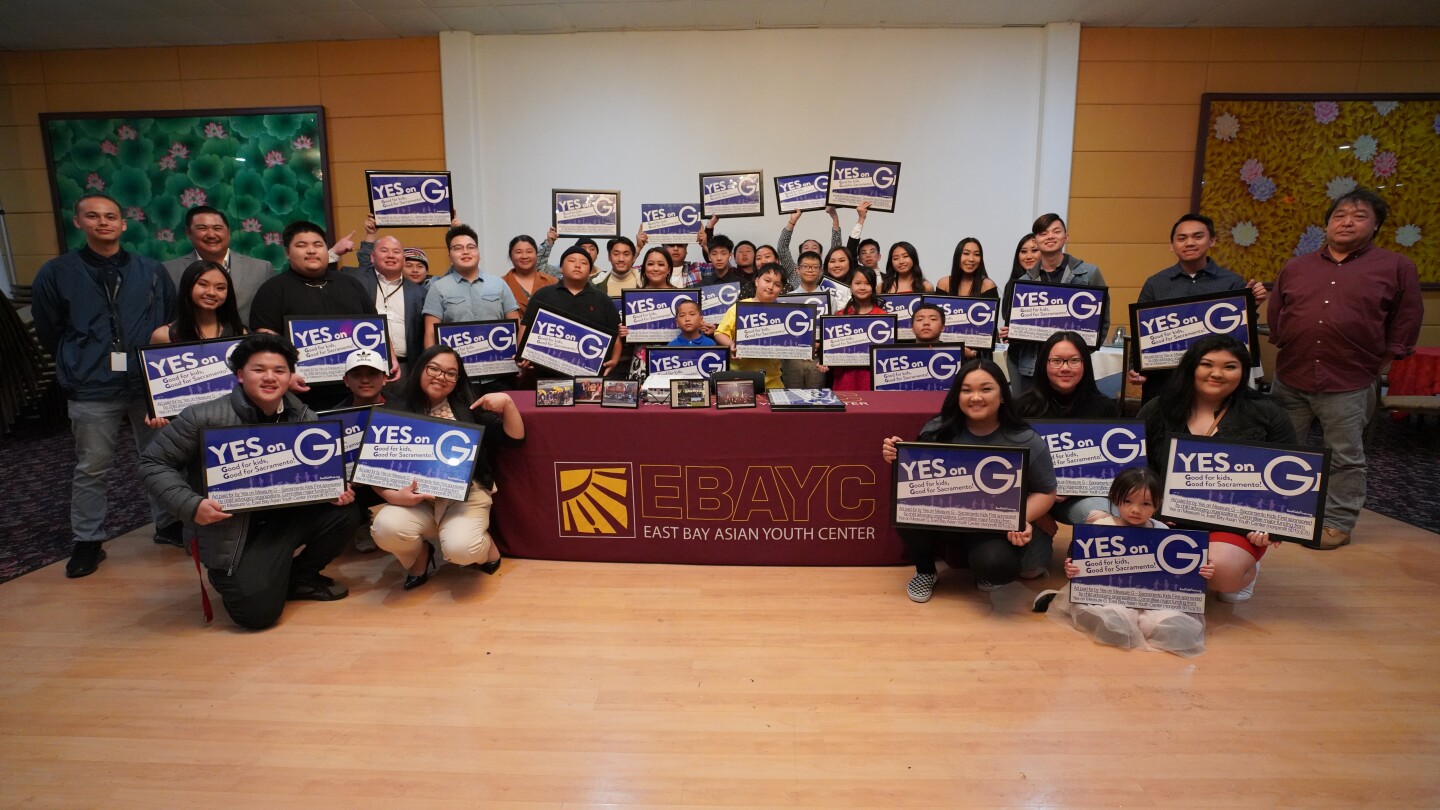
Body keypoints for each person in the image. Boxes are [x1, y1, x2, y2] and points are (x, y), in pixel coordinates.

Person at [137, 333, 361, 629]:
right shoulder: (202, 417)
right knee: (256, 617)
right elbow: (152, 462)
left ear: (290, 375)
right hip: (232, 529)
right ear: (240, 375)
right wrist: (191, 506)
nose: (270, 378)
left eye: (279, 370)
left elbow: (320, 471)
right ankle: (252, 576)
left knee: (345, 513)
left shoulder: (305, 416)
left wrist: (333, 487)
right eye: (259, 370)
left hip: (285, 518)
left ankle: (299, 577)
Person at [32, 193, 182, 573]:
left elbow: (169, 323)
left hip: (148, 382)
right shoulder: (57, 272)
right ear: (78, 221)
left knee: (160, 458)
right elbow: (51, 329)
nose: (104, 222)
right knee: (92, 465)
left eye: (111, 216)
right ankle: (87, 540)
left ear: (123, 224)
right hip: (90, 384)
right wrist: (78, 359)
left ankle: (167, 524)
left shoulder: (150, 270)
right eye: (93, 216)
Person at [1267, 187, 1423, 550]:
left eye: (1359, 215)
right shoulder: (1297, 266)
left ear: (1376, 226)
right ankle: (1281, 515)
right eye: (1339, 215)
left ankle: (1337, 521)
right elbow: (1277, 314)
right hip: (1291, 374)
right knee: (1283, 450)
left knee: (1344, 456)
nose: (1347, 222)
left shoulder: (1396, 267)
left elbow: (1405, 322)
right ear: (1327, 224)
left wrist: (1378, 363)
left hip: (1349, 380)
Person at [881, 359, 1057, 602]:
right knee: (908, 504)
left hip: (990, 524)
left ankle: (980, 565)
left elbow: (1047, 491)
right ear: (957, 395)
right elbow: (914, 479)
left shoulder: (1026, 439)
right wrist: (897, 455)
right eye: (967, 390)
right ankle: (925, 571)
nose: (976, 397)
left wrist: (1019, 518)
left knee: (999, 568)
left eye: (986, 389)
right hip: (941, 520)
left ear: (1003, 394)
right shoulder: (936, 430)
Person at [1136, 334, 1293, 601]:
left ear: (1243, 372)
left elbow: (1289, 478)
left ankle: (1243, 569)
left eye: (1230, 366)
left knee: (1220, 574)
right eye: (1207, 364)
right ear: (1191, 367)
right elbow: (1133, 470)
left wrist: (1271, 523)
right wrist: (1154, 508)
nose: (1217, 374)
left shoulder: (1268, 413)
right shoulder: (1158, 409)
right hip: (1166, 517)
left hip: (1235, 524)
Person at [370, 344, 524, 589]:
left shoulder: (468, 406)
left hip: (465, 498)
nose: (441, 377)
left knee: (461, 549)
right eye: (434, 369)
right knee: (384, 527)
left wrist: (508, 404)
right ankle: (420, 556)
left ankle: (486, 547)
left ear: (457, 379)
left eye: (450, 373)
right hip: (418, 501)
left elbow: (515, 440)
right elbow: (374, 471)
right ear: (420, 368)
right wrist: (392, 495)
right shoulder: (392, 411)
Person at [1035, 467, 1217, 656]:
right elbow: (1077, 557)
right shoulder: (1101, 527)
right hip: (1109, 596)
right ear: (1115, 498)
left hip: (1153, 599)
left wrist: (1200, 571)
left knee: (1175, 626)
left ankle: (1147, 624)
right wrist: (1072, 568)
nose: (1135, 510)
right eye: (1127, 501)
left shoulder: (1163, 531)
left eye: (1146, 504)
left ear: (1158, 504)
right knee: (1113, 619)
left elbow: (1179, 570)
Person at [1127, 214, 1268, 402]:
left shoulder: (1232, 282)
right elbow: (1141, 330)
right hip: (1165, 383)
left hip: (1216, 384)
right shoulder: (1155, 283)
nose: (1190, 243)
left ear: (1212, 241)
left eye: (1198, 236)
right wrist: (1135, 367)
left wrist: (1251, 307)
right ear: (1172, 245)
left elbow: (1240, 337)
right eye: (1182, 238)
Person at [248, 221, 386, 408]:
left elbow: (375, 325)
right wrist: (285, 374)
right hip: (301, 394)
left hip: (357, 391)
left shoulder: (350, 283)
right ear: (287, 253)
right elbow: (265, 340)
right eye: (301, 245)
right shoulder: (273, 290)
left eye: (318, 245)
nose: (311, 251)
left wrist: (389, 358)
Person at [1015, 331, 1121, 534]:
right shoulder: (1021, 407)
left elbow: (1114, 468)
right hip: (1030, 498)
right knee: (1032, 565)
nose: (1065, 368)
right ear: (1044, 364)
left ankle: (1082, 547)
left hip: (1081, 498)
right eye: (1056, 361)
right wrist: (1041, 510)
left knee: (1105, 518)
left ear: (1085, 364)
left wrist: (1073, 489)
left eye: (1073, 360)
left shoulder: (1106, 408)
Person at [1001, 215, 1108, 395]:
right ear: (1036, 241)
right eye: (1043, 233)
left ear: (1066, 237)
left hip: (1070, 370)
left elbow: (1102, 322)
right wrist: (1012, 331)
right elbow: (1016, 326)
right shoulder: (1023, 283)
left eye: (1056, 231)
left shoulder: (1089, 274)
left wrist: (1077, 356)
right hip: (1032, 368)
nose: (1050, 236)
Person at [421, 221, 522, 392]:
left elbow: (516, 325)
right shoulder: (437, 288)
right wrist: (434, 369)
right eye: (458, 248)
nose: (466, 251)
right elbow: (430, 332)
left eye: (471, 247)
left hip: (500, 375)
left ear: (478, 252)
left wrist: (520, 358)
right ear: (450, 255)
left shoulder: (499, 285)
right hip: (457, 377)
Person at [520, 245, 624, 379]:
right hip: (547, 375)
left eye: (584, 263)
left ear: (590, 270)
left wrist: (614, 360)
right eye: (572, 261)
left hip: (589, 375)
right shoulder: (542, 295)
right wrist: (522, 355)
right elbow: (526, 326)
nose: (577, 265)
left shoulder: (602, 299)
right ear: (561, 268)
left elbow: (615, 334)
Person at [163, 206, 274, 324]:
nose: (211, 234)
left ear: (228, 232)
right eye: (202, 228)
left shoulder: (261, 269)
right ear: (189, 233)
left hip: (247, 339)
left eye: (217, 228)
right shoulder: (169, 270)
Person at [345, 223, 425, 368]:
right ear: (372, 257)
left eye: (396, 251)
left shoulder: (418, 293)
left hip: (407, 367)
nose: (391, 255)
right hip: (365, 365)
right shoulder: (357, 280)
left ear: (404, 259)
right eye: (384, 251)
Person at [714, 262, 787, 390]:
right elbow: (720, 333)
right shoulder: (739, 307)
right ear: (757, 281)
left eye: (777, 285)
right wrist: (731, 344)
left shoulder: (784, 312)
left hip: (773, 381)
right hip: (739, 378)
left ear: (781, 289)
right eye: (767, 280)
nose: (771, 287)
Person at [150, 260, 247, 345]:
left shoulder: (240, 333)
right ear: (187, 285)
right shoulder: (163, 335)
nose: (211, 293)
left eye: (220, 288)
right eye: (203, 284)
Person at [831, 266, 886, 391]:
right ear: (850, 286)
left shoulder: (882, 316)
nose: (862, 287)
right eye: (857, 283)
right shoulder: (840, 315)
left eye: (867, 283)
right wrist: (826, 361)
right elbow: (832, 350)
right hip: (845, 378)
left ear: (873, 287)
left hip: (872, 377)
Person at [781, 250, 829, 389]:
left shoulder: (829, 298)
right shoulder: (787, 298)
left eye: (815, 267)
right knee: (792, 397)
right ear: (797, 270)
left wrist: (820, 346)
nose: (810, 270)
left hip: (817, 358)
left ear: (820, 271)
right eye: (806, 266)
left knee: (816, 400)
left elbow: (831, 329)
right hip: (792, 358)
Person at [777, 207, 842, 287]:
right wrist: (792, 221)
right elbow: (782, 248)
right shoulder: (794, 270)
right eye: (806, 248)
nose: (810, 250)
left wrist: (835, 218)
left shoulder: (826, 270)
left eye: (814, 248)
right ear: (800, 254)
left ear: (821, 254)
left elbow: (836, 249)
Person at [500, 234, 557, 318]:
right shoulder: (501, 284)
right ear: (511, 256)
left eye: (529, 251)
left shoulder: (552, 282)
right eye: (518, 252)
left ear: (536, 255)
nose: (524, 256)